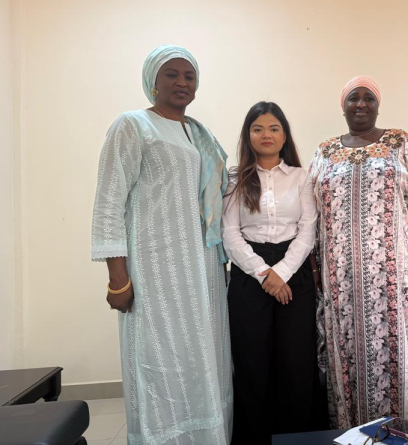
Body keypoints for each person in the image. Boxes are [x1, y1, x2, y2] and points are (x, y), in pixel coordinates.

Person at [91, 45, 233, 444]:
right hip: (156, 270)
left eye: (189, 76)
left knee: (205, 360)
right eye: (171, 74)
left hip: (204, 268)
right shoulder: (133, 125)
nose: (182, 82)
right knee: (160, 359)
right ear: (152, 81)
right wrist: (117, 278)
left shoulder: (199, 135)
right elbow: (109, 203)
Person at [308, 76, 408, 429]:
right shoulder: (325, 152)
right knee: (346, 360)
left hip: (395, 281)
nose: (361, 104)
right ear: (343, 106)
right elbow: (308, 214)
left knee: (398, 358)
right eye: (353, 98)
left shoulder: (400, 143)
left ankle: (404, 433)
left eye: (368, 98)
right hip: (341, 283)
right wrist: (313, 269)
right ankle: (352, 434)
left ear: (378, 106)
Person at [222, 101, 318, 445]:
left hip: (295, 274)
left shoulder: (301, 177)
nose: (267, 134)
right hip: (249, 275)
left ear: (284, 135)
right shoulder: (235, 179)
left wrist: (283, 272)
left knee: (296, 363)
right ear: (248, 135)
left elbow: (308, 230)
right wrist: (265, 274)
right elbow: (229, 233)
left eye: (274, 128)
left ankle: (299, 439)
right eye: (258, 128)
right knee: (252, 363)